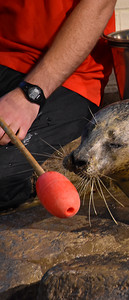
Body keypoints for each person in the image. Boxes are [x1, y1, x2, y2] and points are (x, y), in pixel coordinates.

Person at [0, 0, 117, 210]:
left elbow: (99, 4)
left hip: (68, 74)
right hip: (5, 58)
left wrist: (30, 95)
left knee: (3, 179)